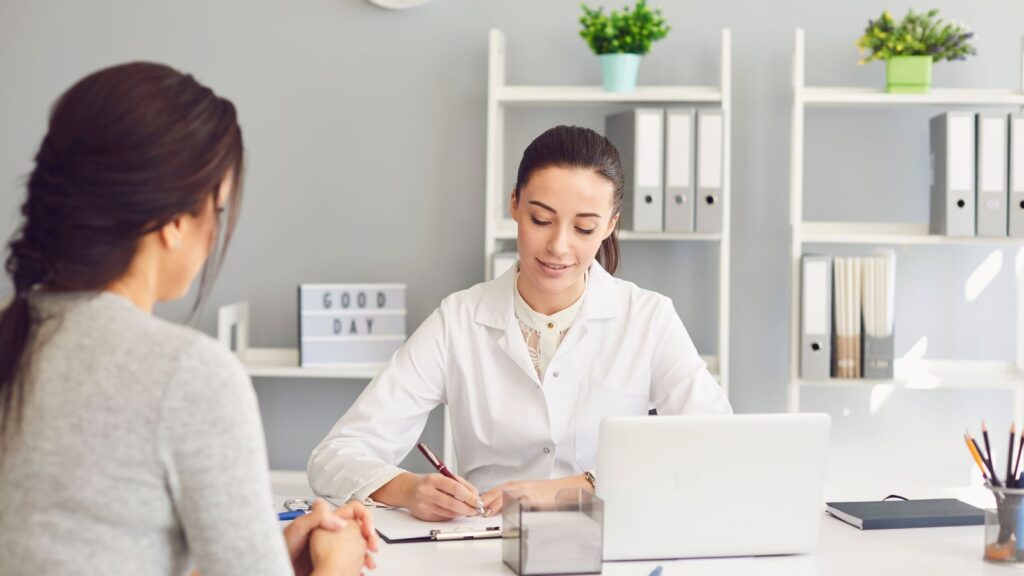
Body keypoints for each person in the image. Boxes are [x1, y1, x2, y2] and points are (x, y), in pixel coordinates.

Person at [0, 62, 377, 575]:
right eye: (216, 211)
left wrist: (260, 556)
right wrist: (337, 566)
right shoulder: (187, 374)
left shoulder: (14, 333)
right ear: (175, 222)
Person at [308, 125, 732, 521]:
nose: (559, 246)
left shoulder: (648, 319)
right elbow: (335, 455)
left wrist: (574, 488)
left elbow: (716, 444)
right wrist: (408, 489)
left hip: (608, 542)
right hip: (486, 546)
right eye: (541, 220)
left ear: (609, 226)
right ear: (514, 204)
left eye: (584, 228)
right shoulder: (458, 321)